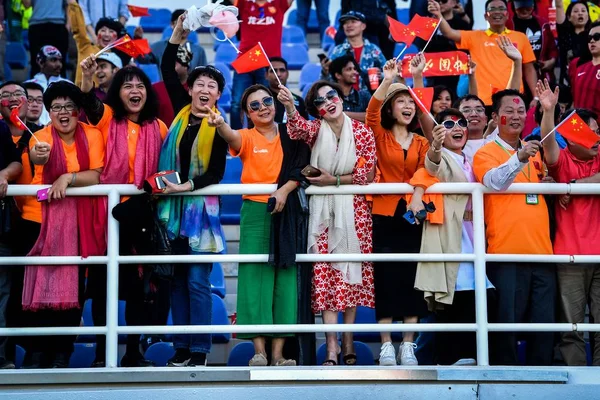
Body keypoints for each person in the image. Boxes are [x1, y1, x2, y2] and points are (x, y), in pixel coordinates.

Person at [279, 81, 376, 366]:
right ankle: (331, 347)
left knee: (349, 278)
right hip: (322, 214)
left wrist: (331, 180)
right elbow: (295, 128)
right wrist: (287, 105)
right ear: (317, 111)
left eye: (331, 95)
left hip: (356, 211)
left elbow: (367, 175)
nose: (328, 102)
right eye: (320, 101)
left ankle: (348, 341)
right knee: (325, 279)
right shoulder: (314, 130)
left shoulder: (362, 131)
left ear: (340, 97)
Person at [80, 56, 169, 368]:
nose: (135, 90)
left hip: (143, 218)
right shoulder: (107, 120)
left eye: (140, 85)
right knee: (103, 288)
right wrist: (88, 78)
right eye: (128, 85)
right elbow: (88, 103)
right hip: (107, 217)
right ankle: (100, 354)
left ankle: (134, 352)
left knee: (138, 290)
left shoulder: (159, 127)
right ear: (117, 92)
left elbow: (166, 169)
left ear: (148, 92)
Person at [152, 19, 229, 367]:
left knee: (198, 282)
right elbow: (167, 67)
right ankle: (181, 348)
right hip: (171, 212)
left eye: (211, 86)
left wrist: (185, 187)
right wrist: (177, 35)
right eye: (200, 82)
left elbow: (216, 173)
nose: (204, 89)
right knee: (177, 283)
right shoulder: (181, 113)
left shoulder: (219, 126)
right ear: (191, 87)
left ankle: (199, 350)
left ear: (217, 95)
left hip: (199, 213)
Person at [211, 84, 304, 367]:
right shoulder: (247, 136)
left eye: (266, 101)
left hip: (287, 209)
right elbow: (231, 136)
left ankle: (279, 355)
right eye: (255, 105)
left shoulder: (291, 133)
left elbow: (301, 167)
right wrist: (220, 124)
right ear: (247, 114)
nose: (263, 107)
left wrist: (285, 191)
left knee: (285, 280)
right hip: (255, 210)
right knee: (254, 279)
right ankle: (259, 352)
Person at [25, 81, 105, 368]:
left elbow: (96, 174)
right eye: (56, 107)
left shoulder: (93, 134)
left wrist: (67, 178)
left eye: (69, 106)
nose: (63, 112)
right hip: (39, 220)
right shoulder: (40, 136)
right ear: (49, 111)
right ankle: (36, 353)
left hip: (81, 222)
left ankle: (61, 353)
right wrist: (41, 158)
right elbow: (36, 156)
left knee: (74, 290)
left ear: (78, 111)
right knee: (39, 284)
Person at [472, 89, 554, 366]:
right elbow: (493, 182)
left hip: (543, 253)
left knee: (543, 328)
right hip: (505, 253)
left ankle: (543, 387)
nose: (517, 116)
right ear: (495, 117)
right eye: (509, 111)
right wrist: (518, 158)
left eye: (521, 111)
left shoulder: (535, 151)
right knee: (505, 328)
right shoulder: (485, 152)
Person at [410, 109, 494, 366]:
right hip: (452, 238)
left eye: (461, 123)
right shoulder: (442, 155)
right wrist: (435, 144)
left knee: (476, 300)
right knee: (454, 300)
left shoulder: (470, 158)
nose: (457, 128)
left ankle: (469, 357)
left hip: (476, 238)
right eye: (449, 123)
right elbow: (431, 163)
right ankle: (451, 360)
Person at [365, 60, 429, 366]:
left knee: (412, 277)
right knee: (387, 276)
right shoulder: (380, 135)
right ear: (391, 109)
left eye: (410, 102)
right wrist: (388, 80)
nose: (407, 106)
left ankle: (408, 344)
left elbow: (428, 169)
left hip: (415, 215)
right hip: (384, 214)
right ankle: (386, 345)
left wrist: (417, 80)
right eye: (400, 101)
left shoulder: (421, 141)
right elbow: (371, 112)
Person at [537, 79, 600, 366]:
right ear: (573, 137)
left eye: (598, 133)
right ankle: (575, 381)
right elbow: (547, 142)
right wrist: (548, 110)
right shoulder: (560, 161)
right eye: (591, 135)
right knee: (571, 329)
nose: (597, 140)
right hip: (569, 258)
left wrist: (574, 184)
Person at [428, 0, 538, 107]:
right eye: (492, 9)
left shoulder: (521, 37)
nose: (497, 12)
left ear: (507, 14)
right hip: (482, 102)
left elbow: (529, 68)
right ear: (486, 16)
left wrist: (536, 96)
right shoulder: (475, 36)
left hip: (513, 100)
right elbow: (449, 33)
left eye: (501, 8)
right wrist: (438, 15)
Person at [230, 0, 293, 129]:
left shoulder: (278, 5)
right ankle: (235, 140)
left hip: (268, 65)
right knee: (237, 104)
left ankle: (268, 138)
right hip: (245, 61)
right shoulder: (244, 4)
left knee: (267, 103)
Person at [0, 116, 24, 370]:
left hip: (1, 228)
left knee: (2, 292)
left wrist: (3, 174)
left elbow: (16, 163)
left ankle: (0, 355)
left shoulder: (0, 128)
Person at [68, 1, 130, 87]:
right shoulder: (85, 46)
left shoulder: (118, 58)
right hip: (81, 96)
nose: (106, 34)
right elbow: (78, 29)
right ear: (97, 34)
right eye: (103, 30)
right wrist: (73, 4)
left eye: (111, 31)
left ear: (116, 37)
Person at [323, 11, 386, 93]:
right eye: (345, 23)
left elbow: (388, 72)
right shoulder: (338, 50)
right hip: (345, 99)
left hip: (370, 98)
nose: (349, 25)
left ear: (363, 26)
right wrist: (325, 70)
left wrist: (381, 75)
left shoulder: (373, 49)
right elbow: (329, 78)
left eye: (353, 22)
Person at [423, 0, 471, 93]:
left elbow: (466, 49)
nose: (440, 3)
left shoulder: (462, 24)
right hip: (433, 74)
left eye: (444, 0)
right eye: (437, 1)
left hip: (455, 74)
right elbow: (423, 46)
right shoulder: (428, 23)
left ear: (454, 3)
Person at [508, 0, 558, 85]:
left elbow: (552, 48)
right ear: (514, 8)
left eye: (528, 8)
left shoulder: (543, 24)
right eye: (520, 8)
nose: (524, 11)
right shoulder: (509, 25)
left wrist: (551, 61)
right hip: (517, 75)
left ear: (533, 6)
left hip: (541, 74)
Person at [23, 0, 69, 78]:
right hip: (37, 24)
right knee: (37, 64)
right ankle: (36, 89)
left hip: (58, 24)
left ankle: (61, 89)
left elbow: (69, 4)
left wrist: (68, 25)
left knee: (60, 64)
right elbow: (26, 4)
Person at [153, 43, 193, 127]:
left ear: (185, 66)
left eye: (174, 63)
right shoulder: (155, 88)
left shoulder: (196, 90)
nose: (169, 66)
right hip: (161, 136)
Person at [556, 0, 591, 86]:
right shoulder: (564, 33)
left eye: (583, 11)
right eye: (576, 11)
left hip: (589, 82)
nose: (580, 13)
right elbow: (559, 6)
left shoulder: (594, 36)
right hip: (567, 84)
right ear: (568, 17)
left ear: (588, 16)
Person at [570, 21, 600, 117]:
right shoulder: (579, 68)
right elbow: (575, 101)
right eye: (589, 38)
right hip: (579, 127)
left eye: (597, 37)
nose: (592, 41)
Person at [266, 57, 308, 124]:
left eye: (282, 70)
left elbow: (306, 127)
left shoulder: (298, 100)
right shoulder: (262, 100)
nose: (278, 74)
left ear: (287, 74)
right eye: (273, 70)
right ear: (266, 75)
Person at [329, 55, 371, 122]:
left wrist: (344, 114)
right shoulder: (329, 99)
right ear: (338, 75)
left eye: (354, 69)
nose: (354, 72)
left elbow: (374, 117)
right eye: (349, 69)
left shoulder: (364, 96)